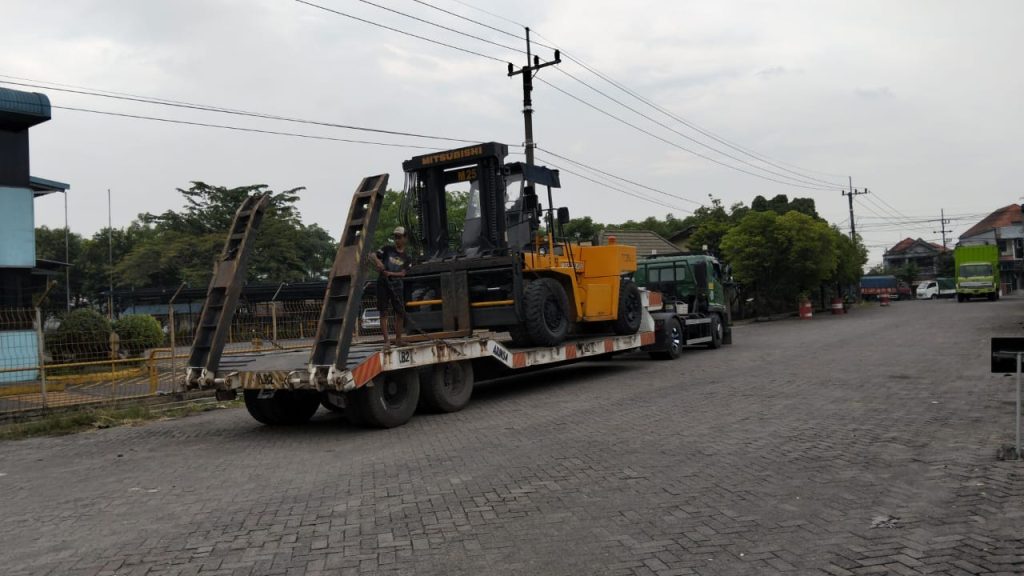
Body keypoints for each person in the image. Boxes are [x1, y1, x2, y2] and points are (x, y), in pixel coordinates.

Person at [371, 226, 413, 349]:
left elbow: (403, 273)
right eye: (395, 237)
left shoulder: (407, 257)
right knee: (383, 311)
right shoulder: (387, 249)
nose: (397, 240)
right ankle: (386, 342)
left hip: (396, 286)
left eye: (399, 237)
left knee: (400, 313)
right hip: (383, 284)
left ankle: (398, 340)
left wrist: (390, 274)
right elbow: (373, 255)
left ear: (405, 238)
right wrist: (378, 262)